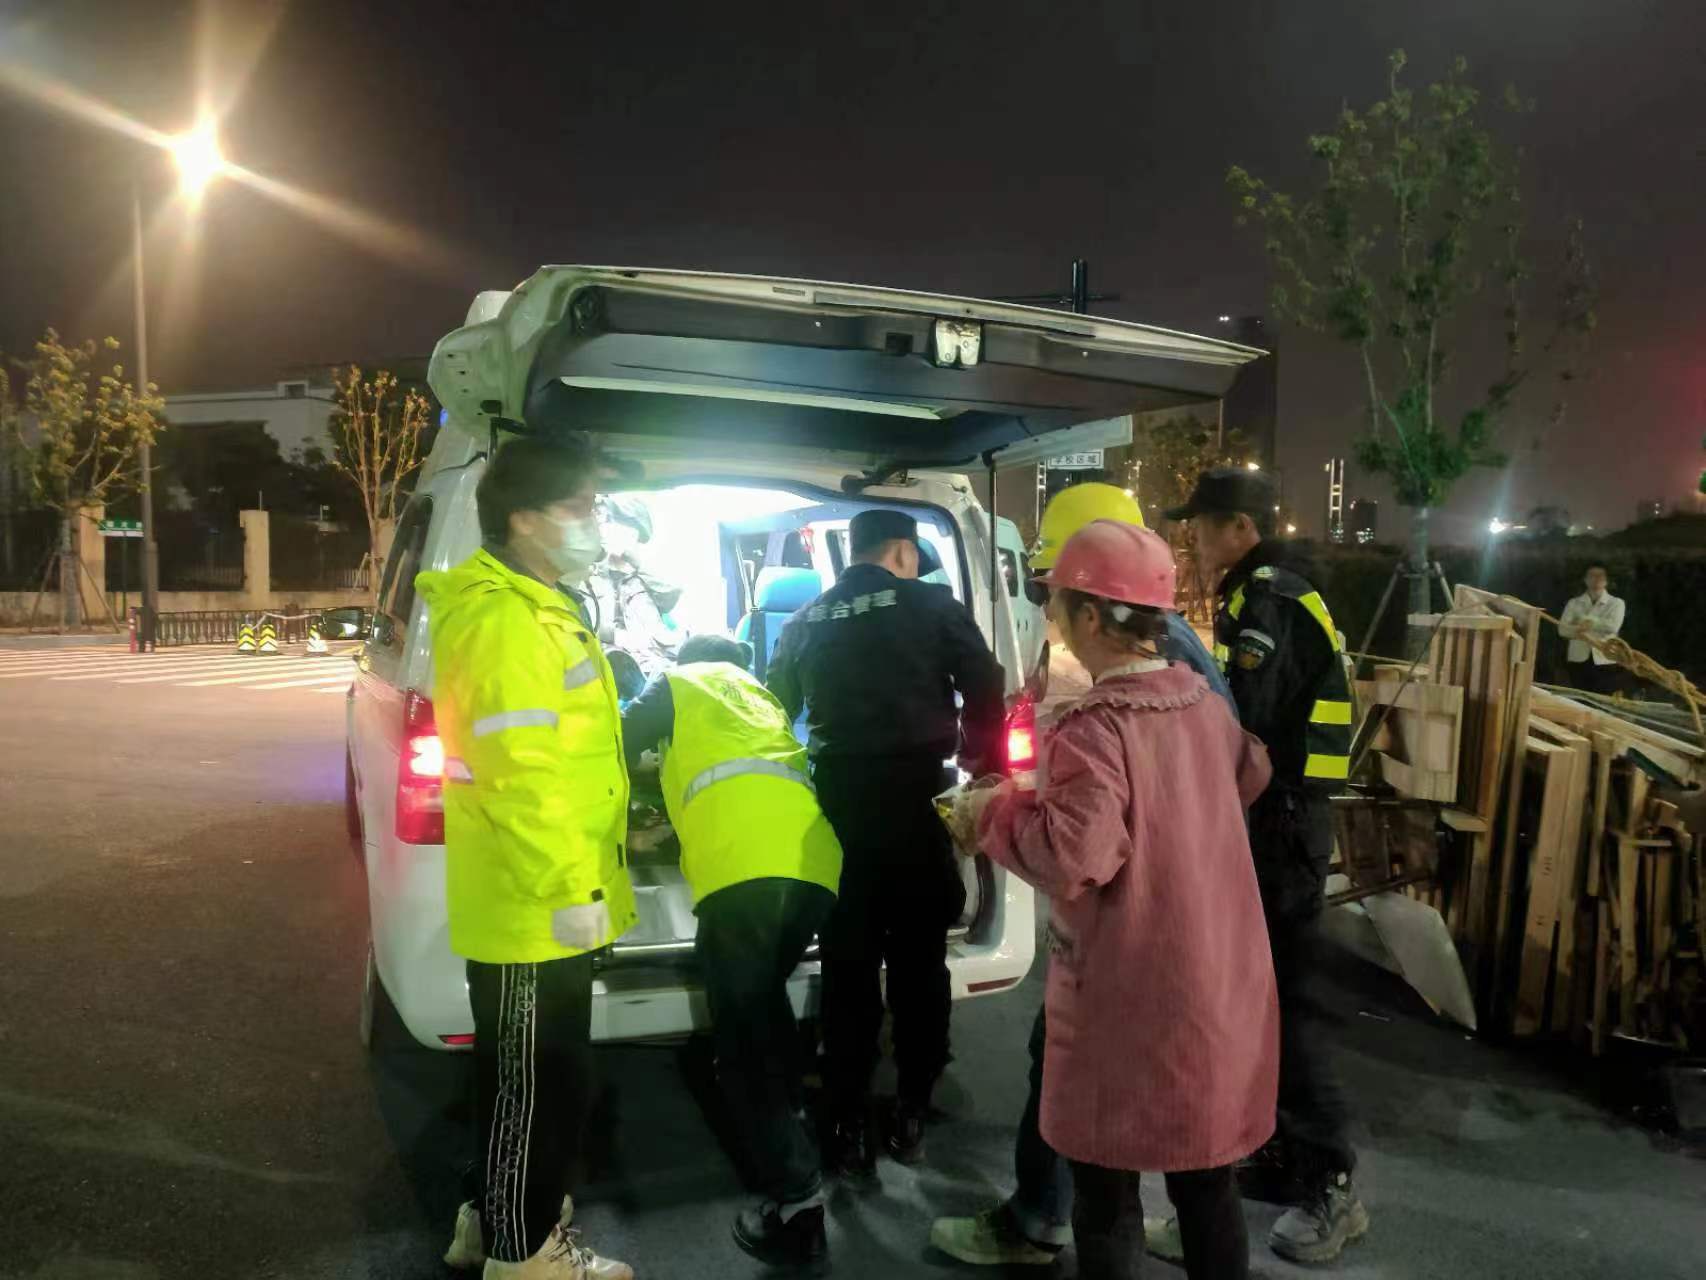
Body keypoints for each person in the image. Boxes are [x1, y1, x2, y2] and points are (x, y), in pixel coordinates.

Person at [954, 519, 1277, 1280]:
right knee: (1207, 1184)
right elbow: (1250, 774)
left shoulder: (1096, 729)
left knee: (1106, 1190)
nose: (1051, 617)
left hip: (1133, 991)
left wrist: (991, 814)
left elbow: (1074, 858)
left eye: (1057, 603)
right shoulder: (1203, 704)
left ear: (1091, 617)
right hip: (1219, 979)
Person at [416, 433, 635, 1280]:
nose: (594, 522)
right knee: (536, 1086)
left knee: (534, 1081)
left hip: (548, 892)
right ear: (523, 518)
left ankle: (493, 1220)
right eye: (580, 506)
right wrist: (571, 887)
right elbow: (520, 774)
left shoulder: (537, 604)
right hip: (534, 903)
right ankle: (524, 1256)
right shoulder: (505, 618)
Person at [766, 508, 1006, 1179]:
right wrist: (980, 755)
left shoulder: (807, 618)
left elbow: (773, 708)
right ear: (902, 551)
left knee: (848, 964)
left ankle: (845, 1115)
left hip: (839, 807)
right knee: (919, 963)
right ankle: (912, 1106)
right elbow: (986, 682)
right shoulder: (933, 605)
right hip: (917, 802)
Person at [1167, 466, 1368, 1265]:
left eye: (1201, 526)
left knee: (1284, 1002)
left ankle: (1332, 1184)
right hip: (1282, 817)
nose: (1193, 540)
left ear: (1240, 529)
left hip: (1282, 822)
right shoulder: (1274, 590)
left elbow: (1242, 720)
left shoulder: (1268, 598)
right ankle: (1284, 1158)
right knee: (1261, 1000)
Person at [620, 633, 843, 1269]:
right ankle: (794, 1113)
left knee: (741, 1045)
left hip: (744, 873)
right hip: (815, 868)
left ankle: (797, 1203)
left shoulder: (677, 684)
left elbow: (614, 742)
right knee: (765, 1002)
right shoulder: (760, 698)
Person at [586, 495, 684, 679]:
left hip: (654, 663)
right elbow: (580, 622)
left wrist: (635, 561)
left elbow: (671, 593)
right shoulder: (587, 574)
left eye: (633, 532)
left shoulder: (643, 577)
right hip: (607, 664)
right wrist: (615, 635)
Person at [1559, 565, 1625, 696]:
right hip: (1578, 658)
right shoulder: (1574, 603)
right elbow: (1562, 630)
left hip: (1605, 658)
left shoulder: (1616, 603)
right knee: (1581, 698)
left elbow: (1613, 627)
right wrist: (1582, 630)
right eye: (1592, 576)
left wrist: (1589, 623)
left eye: (1600, 576)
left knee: (1603, 698)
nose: (1596, 579)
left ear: (1606, 580)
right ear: (1585, 580)